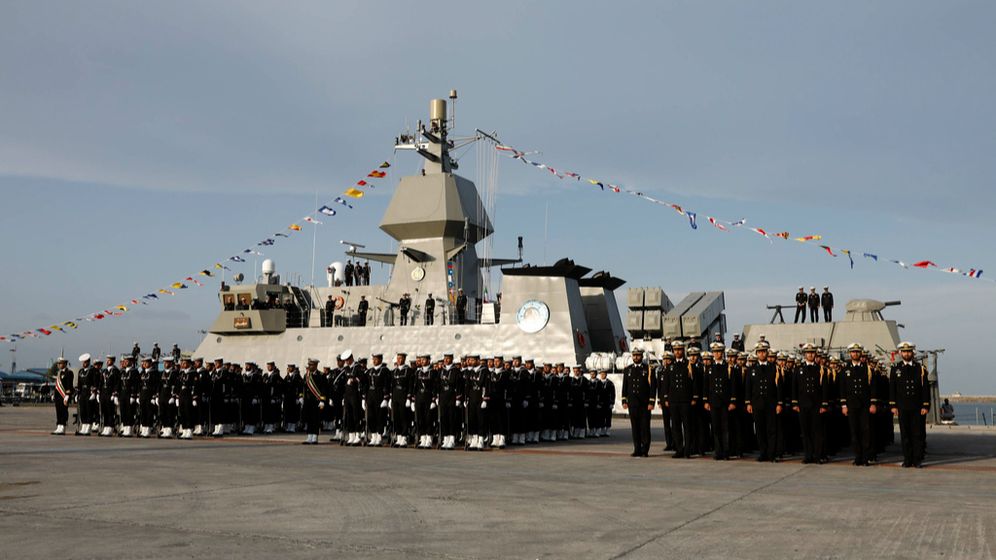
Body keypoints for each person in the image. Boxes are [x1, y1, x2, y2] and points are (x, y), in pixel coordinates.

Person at [889, 342, 930, 468]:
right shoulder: (896, 369)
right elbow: (892, 389)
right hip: (903, 407)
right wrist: (893, 406)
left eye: (909, 351)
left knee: (917, 434)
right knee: (905, 434)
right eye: (904, 351)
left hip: (917, 407)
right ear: (900, 353)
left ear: (913, 353)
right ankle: (907, 459)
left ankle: (917, 460)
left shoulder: (920, 369)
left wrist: (925, 406)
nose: (907, 354)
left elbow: (925, 389)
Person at [839, 343, 877, 466]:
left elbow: (873, 388)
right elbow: (842, 389)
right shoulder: (845, 370)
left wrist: (873, 403)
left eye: (857, 352)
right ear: (850, 354)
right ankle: (857, 457)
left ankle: (865, 457)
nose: (855, 354)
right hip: (851, 405)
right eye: (853, 352)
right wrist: (844, 405)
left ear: (860, 353)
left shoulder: (868, 369)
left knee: (866, 431)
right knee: (854, 432)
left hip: (864, 405)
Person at [745, 342, 783, 462]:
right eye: (759, 352)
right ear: (756, 354)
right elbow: (748, 388)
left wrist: (779, 403)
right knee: (760, 430)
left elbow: (779, 387)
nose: (762, 354)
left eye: (764, 351)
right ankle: (763, 453)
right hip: (757, 404)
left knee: (771, 430)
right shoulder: (751, 369)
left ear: (767, 353)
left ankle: (772, 454)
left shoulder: (774, 368)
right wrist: (748, 403)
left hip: (771, 404)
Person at [792, 343, 828, 464]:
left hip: (816, 405)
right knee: (805, 431)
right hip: (803, 405)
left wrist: (824, 404)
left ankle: (817, 456)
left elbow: (824, 388)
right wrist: (795, 403)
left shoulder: (821, 369)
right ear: (805, 354)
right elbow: (794, 387)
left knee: (817, 432)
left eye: (812, 353)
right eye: (808, 353)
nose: (810, 355)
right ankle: (808, 455)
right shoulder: (798, 369)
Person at [661, 341, 697, 458]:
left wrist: (694, 397)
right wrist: (666, 398)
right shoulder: (670, 367)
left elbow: (694, 383)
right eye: (675, 350)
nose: (677, 352)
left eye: (680, 349)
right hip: (674, 401)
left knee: (687, 426)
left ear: (683, 350)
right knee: (675, 426)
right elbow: (666, 384)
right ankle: (679, 449)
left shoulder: (689, 365)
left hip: (686, 400)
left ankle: (688, 450)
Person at [703, 342, 736, 460]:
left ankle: (726, 452)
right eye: (715, 352)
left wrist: (732, 401)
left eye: (719, 352)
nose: (717, 354)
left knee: (725, 428)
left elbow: (732, 385)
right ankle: (718, 451)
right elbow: (706, 386)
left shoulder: (728, 367)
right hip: (713, 402)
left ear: (722, 353)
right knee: (715, 428)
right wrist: (706, 401)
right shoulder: (709, 368)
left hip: (725, 402)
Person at [621, 349, 655, 457]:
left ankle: (645, 450)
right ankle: (637, 449)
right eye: (634, 355)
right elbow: (625, 386)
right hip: (633, 403)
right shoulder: (628, 370)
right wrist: (624, 400)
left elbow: (653, 387)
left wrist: (651, 401)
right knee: (635, 428)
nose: (636, 357)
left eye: (638, 355)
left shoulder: (648, 369)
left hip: (644, 404)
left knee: (644, 427)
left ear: (641, 356)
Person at [301, 358, 329, 445]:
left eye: (311, 365)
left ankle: (315, 436)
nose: (309, 366)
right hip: (308, 401)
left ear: (316, 365)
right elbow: (303, 388)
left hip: (316, 401)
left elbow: (324, 389)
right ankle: (309, 435)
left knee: (315, 419)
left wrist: (322, 400)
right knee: (309, 418)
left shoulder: (321, 375)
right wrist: (301, 397)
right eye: (309, 365)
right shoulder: (306, 375)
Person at [365, 354, 390, 446]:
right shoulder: (370, 371)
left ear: (380, 359)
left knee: (379, 416)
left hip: (380, 395)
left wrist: (386, 398)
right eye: (373, 359)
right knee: (371, 416)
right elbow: (366, 384)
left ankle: (379, 436)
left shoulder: (385, 371)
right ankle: (373, 435)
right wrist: (365, 398)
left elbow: (387, 384)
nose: (374, 361)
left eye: (376, 359)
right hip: (371, 395)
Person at [51, 357, 74, 435]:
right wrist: (54, 395)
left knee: (63, 411)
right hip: (58, 396)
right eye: (58, 363)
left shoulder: (69, 372)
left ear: (64, 364)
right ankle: (59, 425)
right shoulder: (59, 373)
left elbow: (69, 385)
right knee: (58, 411)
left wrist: (67, 395)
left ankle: (63, 426)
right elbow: (57, 386)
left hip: (64, 395)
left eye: (60, 363)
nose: (59, 365)